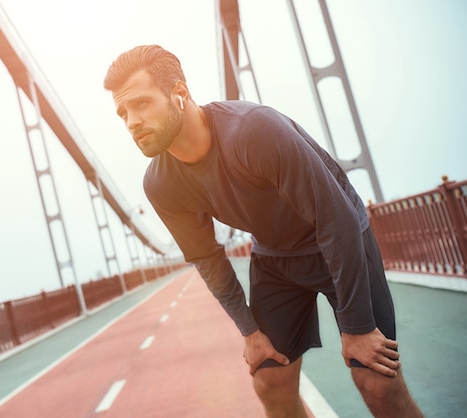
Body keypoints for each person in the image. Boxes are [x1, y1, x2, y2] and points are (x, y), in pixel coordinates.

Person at [104, 44, 422, 418]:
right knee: (269, 381)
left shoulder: (252, 130)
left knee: (376, 381)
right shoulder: (160, 185)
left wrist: (358, 326)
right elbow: (207, 258)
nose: (131, 121)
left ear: (180, 94)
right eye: (122, 112)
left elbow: (335, 219)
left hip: (338, 240)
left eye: (141, 104)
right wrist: (249, 331)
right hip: (275, 258)